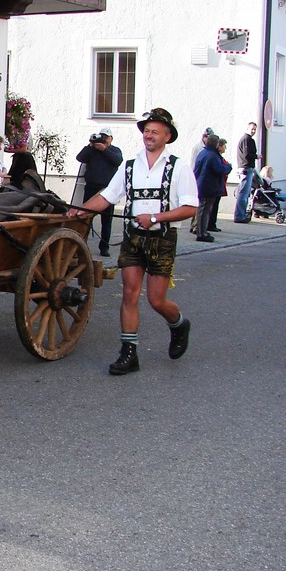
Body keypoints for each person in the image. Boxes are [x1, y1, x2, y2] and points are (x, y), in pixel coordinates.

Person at [68, 107, 199, 376]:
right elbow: (107, 196)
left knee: (156, 300)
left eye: (155, 131)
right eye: (146, 131)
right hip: (134, 237)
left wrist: (155, 216)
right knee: (129, 293)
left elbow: (190, 207)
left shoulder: (179, 168)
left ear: (167, 136)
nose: (149, 135)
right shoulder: (129, 167)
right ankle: (129, 353)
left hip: (162, 238)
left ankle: (179, 324)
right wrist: (81, 211)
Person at [75, 127, 123, 257]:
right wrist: (90, 146)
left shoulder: (114, 150)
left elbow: (118, 161)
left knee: (106, 221)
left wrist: (105, 149)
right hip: (91, 187)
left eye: (106, 137)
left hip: (108, 190)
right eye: (101, 136)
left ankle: (104, 247)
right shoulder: (92, 150)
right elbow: (79, 158)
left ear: (111, 139)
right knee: (84, 217)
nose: (103, 139)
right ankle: (81, 244)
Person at [193, 134, 231, 242]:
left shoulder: (203, 153)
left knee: (203, 210)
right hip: (208, 186)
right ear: (216, 143)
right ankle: (201, 233)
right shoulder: (212, 155)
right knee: (204, 210)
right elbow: (219, 169)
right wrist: (228, 167)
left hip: (202, 184)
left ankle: (202, 231)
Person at [233, 121, 259, 223]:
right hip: (245, 168)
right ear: (247, 128)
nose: (253, 131)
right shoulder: (246, 140)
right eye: (252, 129)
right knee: (243, 194)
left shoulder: (247, 140)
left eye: (255, 129)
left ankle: (241, 215)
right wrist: (256, 156)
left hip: (245, 168)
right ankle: (240, 216)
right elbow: (247, 155)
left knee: (244, 193)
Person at [209, 138, 229, 231]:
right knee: (212, 206)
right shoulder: (215, 156)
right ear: (219, 146)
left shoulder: (216, 156)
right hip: (215, 185)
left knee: (213, 206)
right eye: (224, 146)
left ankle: (211, 224)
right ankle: (210, 225)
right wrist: (228, 167)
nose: (225, 148)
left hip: (218, 184)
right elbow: (220, 169)